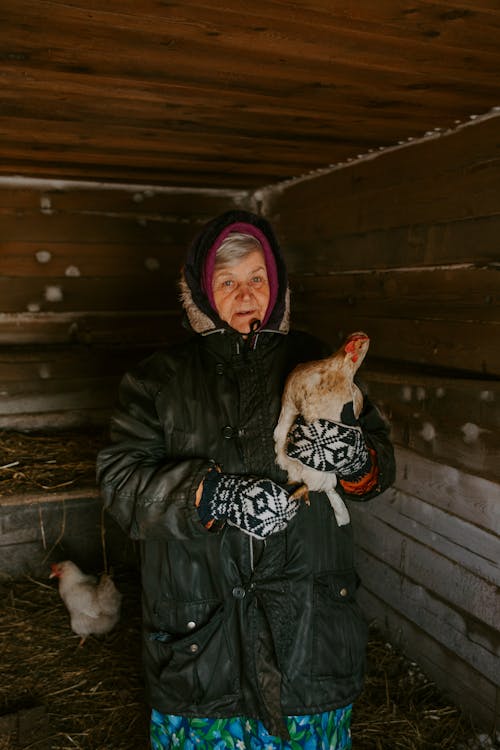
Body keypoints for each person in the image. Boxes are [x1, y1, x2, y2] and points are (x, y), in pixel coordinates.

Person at [97, 209, 395, 749]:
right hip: (203, 646)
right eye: (228, 282)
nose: (245, 295)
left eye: (257, 279)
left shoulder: (316, 361)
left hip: (311, 634)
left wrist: (354, 458)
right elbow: (120, 483)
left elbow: (379, 469)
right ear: (202, 292)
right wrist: (211, 495)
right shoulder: (156, 379)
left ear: (275, 284)